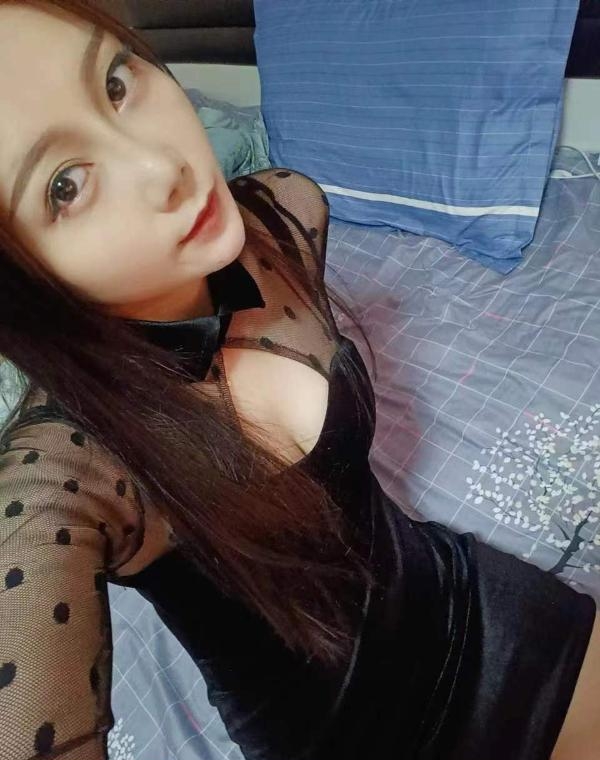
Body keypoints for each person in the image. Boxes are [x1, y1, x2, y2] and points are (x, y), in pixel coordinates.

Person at [0, 2, 598, 759]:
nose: (162, 165)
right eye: (64, 186)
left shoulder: (285, 214)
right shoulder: (59, 479)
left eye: (116, 83)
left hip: (473, 604)